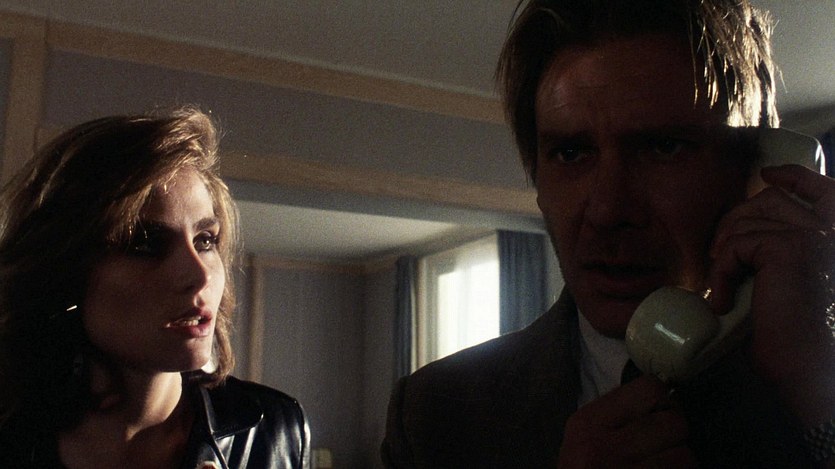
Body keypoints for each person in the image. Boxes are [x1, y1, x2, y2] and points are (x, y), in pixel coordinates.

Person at [382, 0, 835, 467]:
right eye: (571, 153)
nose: (607, 211)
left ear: (755, 172)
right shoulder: (437, 413)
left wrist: (820, 400)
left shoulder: (816, 382)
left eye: (663, 148)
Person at [0, 107, 310, 468]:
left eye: (206, 240)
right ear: (62, 271)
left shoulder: (272, 428)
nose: (200, 275)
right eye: (144, 244)